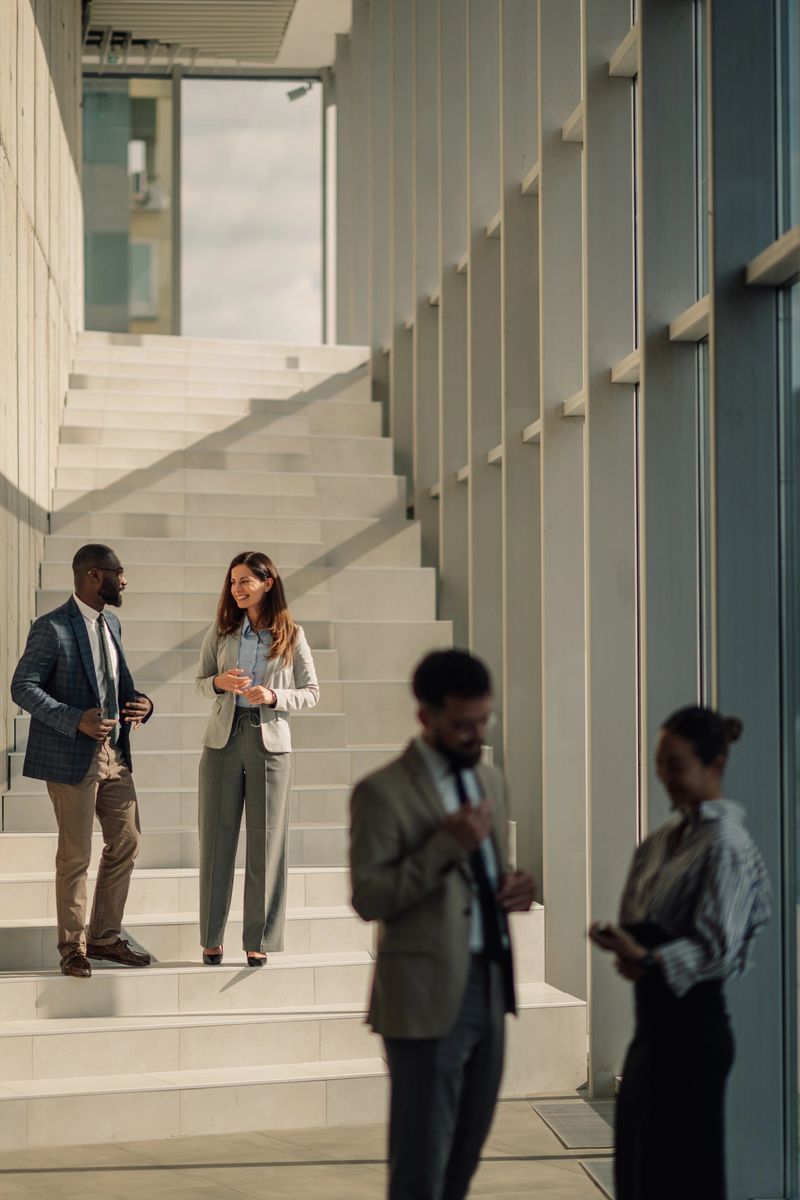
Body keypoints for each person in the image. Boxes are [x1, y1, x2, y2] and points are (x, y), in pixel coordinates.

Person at [349, 649, 536, 1200]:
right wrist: (444, 847)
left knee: (462, 1164)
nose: (475, 734)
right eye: (462, 724)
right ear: (425, 717)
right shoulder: (381, 792)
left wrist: (513, 890)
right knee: (420, 1169)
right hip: (425, 999)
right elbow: (369, 897)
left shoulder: (490, 780)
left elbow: (481, 877)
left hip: (492, 985)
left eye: (484, 721)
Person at [589, 705, 771, 1200]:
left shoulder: (726, 844)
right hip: (652, 1032)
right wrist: (631, 950)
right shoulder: (664, 840)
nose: (664, 775)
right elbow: (640, 919)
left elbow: (718, 950)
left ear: (715, 765)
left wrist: (648, 958)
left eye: (677, 764)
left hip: (693, 1035)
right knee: (643, 1172)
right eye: (660, 762)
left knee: (684, 1176)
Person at [10, 543, 154, 979]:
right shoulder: (51, 627)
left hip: (114, 754)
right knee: (76, 854)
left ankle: (105, 936)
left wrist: (143, 704)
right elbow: (23, 687)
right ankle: (73, 948)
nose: (124, 580)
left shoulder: (112, 622)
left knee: (127, 840)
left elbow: (120, 684)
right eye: (119, 571)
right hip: (71, 754)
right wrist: (75, 721)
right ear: (95, 575)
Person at [195, 551, 319, 967]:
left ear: (268, 583)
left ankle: (258, 938)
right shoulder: (222, 630)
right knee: (216, 841)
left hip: (270, 745)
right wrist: (219, 681)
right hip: (222, 741)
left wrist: (274, 696)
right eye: (233, 582)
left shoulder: (292, 635)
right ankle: (211, 937)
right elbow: (199, 682)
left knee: (266, 844)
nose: (238, 588)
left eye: (246, 580)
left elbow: (312, 691)